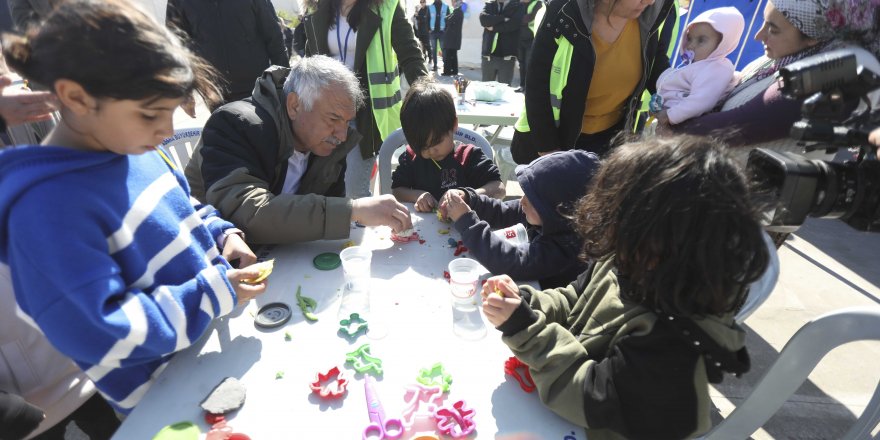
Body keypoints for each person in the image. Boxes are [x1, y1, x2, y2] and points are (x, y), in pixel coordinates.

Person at [0, 0, 268, 417]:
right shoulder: (45, 209)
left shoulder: (133, 145)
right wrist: (213, 293)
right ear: (76, 97)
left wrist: (220, 233)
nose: (165, 130)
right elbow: (101, 330)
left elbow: (183, 207)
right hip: (165, 406)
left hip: (212, 361)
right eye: (150, 114)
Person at [481, 135, 770, 438]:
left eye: (620, 215)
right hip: (558, 410)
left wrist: (526, 329)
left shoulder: (672, 346)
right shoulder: (627, 261)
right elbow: (574, 298)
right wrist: (526, 304)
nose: (608, 224)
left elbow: (590, 397)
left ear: (665, 241)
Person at [186, 56, 414, 244]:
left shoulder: (329, 144)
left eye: (347, 122)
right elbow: (248, 214)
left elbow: (321, 218)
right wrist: (352, 209)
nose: (342, 135)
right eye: (333, 118)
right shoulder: (236, 124)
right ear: (294, 105)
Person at [669, 0, 880, 164]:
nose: (759, 36)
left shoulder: (822, 79)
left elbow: (739, 125)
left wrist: (671, 124)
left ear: (813, 37)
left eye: (773, 29)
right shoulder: (776, 59)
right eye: (763, 22)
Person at [509, 0, 678, 164]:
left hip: (611, 141)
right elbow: (536, 84)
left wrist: (680, 94)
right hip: (554, 139)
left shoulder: (653, 13)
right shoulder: (564, 10)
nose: (650, 2)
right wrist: (549, 152)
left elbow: (656, 61)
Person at [297, 0, 428, 199]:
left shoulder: (387, 7)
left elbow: (410, 56)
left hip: (366, 114)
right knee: (323, 188)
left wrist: (427, 93)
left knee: (355, 192)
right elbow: (310, 58)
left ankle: (360, 225)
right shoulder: (318, 8)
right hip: (325, 112)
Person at [439, 150, 598, 289]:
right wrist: (470, 199)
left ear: (558, 211)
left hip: (540, 306)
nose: (522, 201)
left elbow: (511, 261)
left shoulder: (565, 249)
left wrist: (467, 222)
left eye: (532, 198)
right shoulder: (545, 215)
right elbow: (502, 212)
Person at [392, 79, 505, 211]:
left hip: (466, 227)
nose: (430, 151)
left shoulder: (467, 156)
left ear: (454, 125)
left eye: (436, 142)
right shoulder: (412, 157)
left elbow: (499, 189)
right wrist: (418, 195)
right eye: (422, 146)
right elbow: (397, 190)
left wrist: (467, 196)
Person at [166, 0, 290, 104]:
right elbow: (176, 45)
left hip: (257, 88)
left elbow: (274, 36)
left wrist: (283, 83)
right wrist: (184, 92)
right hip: (214, 93)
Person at [651, 7, 744, 127]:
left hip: (678, 122)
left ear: (721, 44)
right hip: (667, 113)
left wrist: (670, 115)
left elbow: (701, 101)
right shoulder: (699, 66)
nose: (691, 45)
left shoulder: (718, 69)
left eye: (701, 40)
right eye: (689, 39)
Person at [479, 0, 524, 85]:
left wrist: (494, 28)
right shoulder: (490, 4)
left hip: (507, 57)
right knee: (486, 89)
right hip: (488, 56)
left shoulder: (518, 6)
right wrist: (502, 18)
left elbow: (514, 24)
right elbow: (484, 20)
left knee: (504, 91)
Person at [516, 0, 542, 91]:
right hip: (519, 39)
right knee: (521, 64)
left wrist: (517, 19)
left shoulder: (538, 3)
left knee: (528, 64)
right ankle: (522, 85)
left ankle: (529, 87)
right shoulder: (519, 3)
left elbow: (530, 17)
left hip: (531, 40)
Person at [441, 0, 464, 76]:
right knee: (453, 55)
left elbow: (448, 20)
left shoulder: (458, 11)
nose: (452, 3)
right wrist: (447, 18)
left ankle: (447, 71)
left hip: (452, 38)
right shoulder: (456, 11)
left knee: (448, 55)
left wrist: (447, 18)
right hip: (453, 38)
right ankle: (454, 71)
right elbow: (447, 18)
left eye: (453, 1)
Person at [427, 0, 450, 72]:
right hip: (433, 32)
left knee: (443, 49)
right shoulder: (430, 7)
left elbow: (449, 19)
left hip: (442, 32)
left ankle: (445, 66)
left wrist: (446, 29)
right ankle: (435, 66)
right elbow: (427, 18)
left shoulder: (446, 7)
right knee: (434, 50)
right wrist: (428, 29)